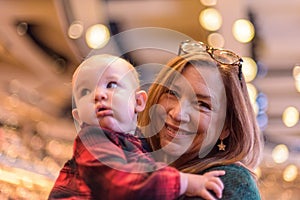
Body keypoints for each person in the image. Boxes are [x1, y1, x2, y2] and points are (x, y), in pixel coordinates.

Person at [48, 54, 226, 200]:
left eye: (111, 85)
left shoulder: (138, 145)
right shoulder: (93, 142)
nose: (98, 95)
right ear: (79, 117)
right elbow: (122, 184)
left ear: (139, 101)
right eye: (85, 91)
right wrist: (185, 182)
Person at [138, 40, 264, 199]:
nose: (177, 114)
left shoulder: (230, 183)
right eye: (172, 93)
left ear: (226, 128)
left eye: (202, 104)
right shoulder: (134, 164)